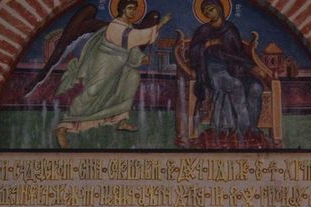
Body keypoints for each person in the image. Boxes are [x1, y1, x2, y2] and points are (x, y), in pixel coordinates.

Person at [55, 0, 170, 144]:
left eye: (134, 9)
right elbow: (132, 38)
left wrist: (141, 57)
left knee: (130, 80)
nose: (133, 12)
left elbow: (131, 46)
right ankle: (64, 126)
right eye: (130, 8)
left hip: (122, 64)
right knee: (93, 91)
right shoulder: (115, 25)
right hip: (106, 61)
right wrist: (160, 24)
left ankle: (120, 120)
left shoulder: (129, 26)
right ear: (122, 9)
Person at [189, 0, 265, 141]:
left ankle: (253, 129)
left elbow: (239, 53)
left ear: (219, 8)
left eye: (211, 9)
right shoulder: (203, 31)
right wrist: (208, 44)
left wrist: (252, 67)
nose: (208, 13)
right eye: (205, 12)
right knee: (235, 85)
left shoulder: (230, 29)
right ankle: (242, 131)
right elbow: (193, 53)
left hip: (236, 68)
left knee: (256, 87)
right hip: (215, 70)